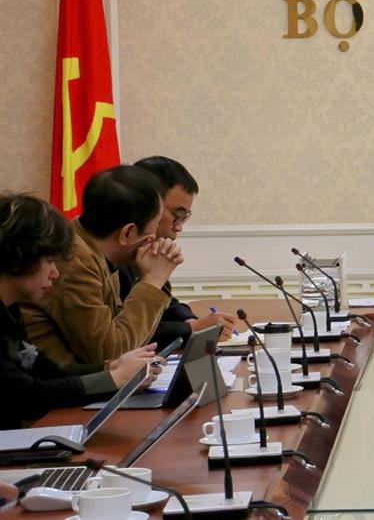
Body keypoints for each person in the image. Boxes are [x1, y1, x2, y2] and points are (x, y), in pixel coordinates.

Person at [0, 193, 157, 430]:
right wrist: (115, 379)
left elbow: (46, 371)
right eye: (49, 260)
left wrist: (110, 368)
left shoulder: (10, 309)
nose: (55, 273)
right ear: (19, 256)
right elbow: (27, 396)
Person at [21, 166, 183, 366]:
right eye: (155, 225)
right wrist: (152, 282)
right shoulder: (75, 261)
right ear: (127, 233)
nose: (156, 237)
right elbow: (109, 353)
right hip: (58, 383)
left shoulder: (95, 250)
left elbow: (124, 337)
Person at [118, 156, 233, 347]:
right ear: (148, 204)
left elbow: (165, 305)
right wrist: (192, 328)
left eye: (185, 217)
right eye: (177, 215)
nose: (179, 227)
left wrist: (190, 321)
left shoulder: (146, 250)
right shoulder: (113, 254)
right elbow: (123, 334)